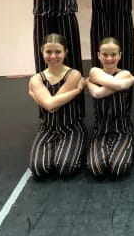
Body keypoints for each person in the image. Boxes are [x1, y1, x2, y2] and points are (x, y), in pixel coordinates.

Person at [28, 33, 86, 179]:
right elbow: (50, 105)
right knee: (38, 169)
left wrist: (35, 95)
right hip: (47, 128)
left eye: (58, 52)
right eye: (48, 52)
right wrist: (77, 90)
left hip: (71, 127)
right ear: (42, 51)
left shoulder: (73, 74)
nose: (53, 56)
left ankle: (78, 144)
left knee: (66, 168)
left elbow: (52, 105)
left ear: (65, 52)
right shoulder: (37, 78)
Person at [86, 37, 134, 179]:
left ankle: (127, 144)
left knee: (118, 168)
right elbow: (98, 93)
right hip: (100, 129)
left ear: (119, 55)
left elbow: (98, 92)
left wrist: (90, 83)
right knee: (96, 169)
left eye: (113, 54)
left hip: (122, 128)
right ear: (98, 55)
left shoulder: (124, 73)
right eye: (105, 54)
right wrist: (128, 82)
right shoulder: (94, 71)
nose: (109, 58)